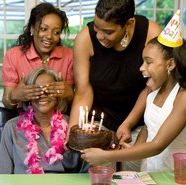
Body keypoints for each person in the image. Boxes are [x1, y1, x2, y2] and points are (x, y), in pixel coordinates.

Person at [81, 10, 186, 172]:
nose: (142, 68)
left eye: (148, 62)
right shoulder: (153, 90)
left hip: (175, 171)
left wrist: (105, 156)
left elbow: (157, 145)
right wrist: (134, 149)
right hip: (149, 168)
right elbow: (148, 128)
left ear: (170, 64)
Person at [69, 0, 162, 170]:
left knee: (134, 175)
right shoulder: (84, 39)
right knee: (99, 175)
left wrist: (128, 123)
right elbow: (83, 92)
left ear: (129, 23)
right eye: (97, 28)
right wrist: (73, 134)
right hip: (99, 122)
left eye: (108, 31)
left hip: (139, 123)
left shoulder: (152, 34)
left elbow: (152, 87)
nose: (99, 36)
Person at [0, 67, 89, 174]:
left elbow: (87, 172)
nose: (43, 95)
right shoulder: (11, 128)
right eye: (36, 91)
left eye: (49, 90)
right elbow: (2, 174)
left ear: (58, 95)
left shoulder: (73, 126)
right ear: (27, 96)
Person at [2, 2, 74, 109]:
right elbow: (7, 103)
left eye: (56, 32)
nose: (49, 36)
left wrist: (69, 94)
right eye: (43, 29)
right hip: (24, 119)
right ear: (32, 29)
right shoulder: (13, 56)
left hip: (58, 120)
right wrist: (14, 95)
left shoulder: (69, 55)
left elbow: (71, 102)